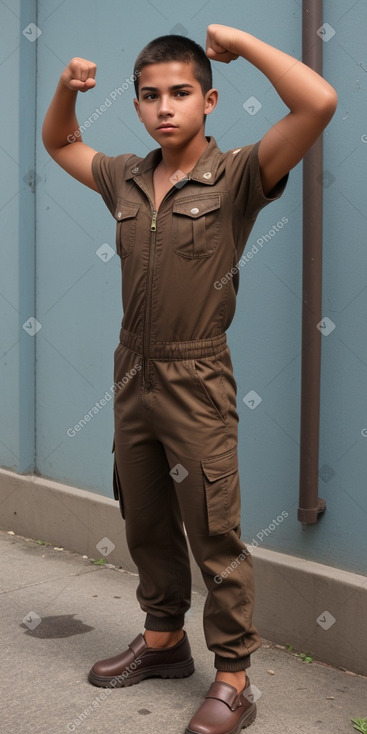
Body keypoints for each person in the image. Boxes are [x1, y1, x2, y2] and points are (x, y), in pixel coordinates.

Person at [42, 23, 337, 734]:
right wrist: (63, 89)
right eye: (149, 96)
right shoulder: (125, 176)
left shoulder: (238, 174)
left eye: (179, 93)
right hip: (131, 373)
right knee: (143, 515)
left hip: (196, 373)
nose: (163, 107)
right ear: (137, 104)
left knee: (214, 529)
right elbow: (59, 143)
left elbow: (317, 103)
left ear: (207, 99)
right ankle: (164, 640)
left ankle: (233, 677)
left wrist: (242, 41)